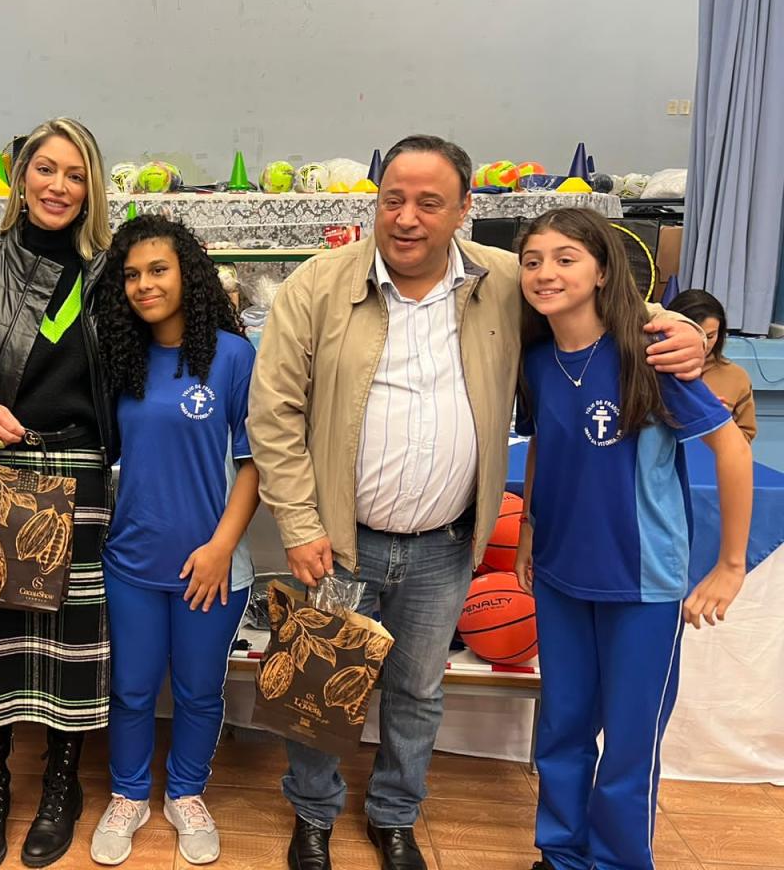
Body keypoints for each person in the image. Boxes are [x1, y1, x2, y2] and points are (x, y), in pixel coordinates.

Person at [245, 134, 709, 870]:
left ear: (465, 209)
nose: (406, 217)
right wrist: (299, 526)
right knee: (319, 682)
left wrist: (675, 325)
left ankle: (395, 815)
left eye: (429, 202)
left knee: (418, 690)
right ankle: (313, 815)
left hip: (444, 541)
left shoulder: (504, 278)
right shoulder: (318, 285)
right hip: (337, 538)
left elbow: (593, 287)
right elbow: (273, 414)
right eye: (393, 199)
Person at [513, 208, 750, 870]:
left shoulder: (651, 356)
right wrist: (530, 528)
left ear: (602, 272)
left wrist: (731, 564)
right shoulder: (536, 360)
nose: (545, 272)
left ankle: (617, 861)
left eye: (566, 258)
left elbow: (731, 448)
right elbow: (543, 444)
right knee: (561, 728)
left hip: (642, 582)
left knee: (629, 743)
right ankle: (561, 855)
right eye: (532, 260)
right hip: (561, 573)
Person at [0, 118, 116, 870]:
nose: (58, 186)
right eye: (45, 169)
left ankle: (62, 786)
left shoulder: (112, 272)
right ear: (21, 175)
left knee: (72, 646)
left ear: (91, 187)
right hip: (1, 471)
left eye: (75, 174)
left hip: (82, 472)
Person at [89, 215, 260, 866]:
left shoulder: (233, 356)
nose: (144, 285)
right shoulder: (120, 357)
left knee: (198, 691)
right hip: (131, 560)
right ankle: (129, 794)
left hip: (211, 565)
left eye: (158, 270)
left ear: (188, 272)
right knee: (132, 689)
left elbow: (255, 463)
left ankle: (186, 792)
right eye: (131, 275)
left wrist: (220, 548)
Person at [667, 288, 756, 442]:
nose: (702, 344)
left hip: (711, 456)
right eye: (695, 335)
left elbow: (745, 439)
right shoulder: (650, 369)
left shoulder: (736, 377)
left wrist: (722, 421)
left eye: (710, 336)